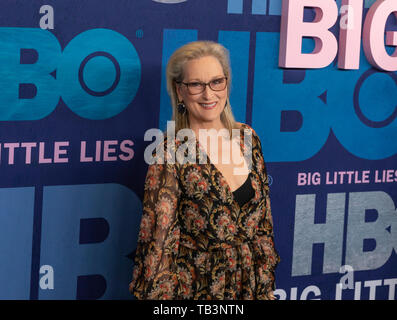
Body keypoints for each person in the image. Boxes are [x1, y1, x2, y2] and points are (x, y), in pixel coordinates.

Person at [129, 40, 280, 300]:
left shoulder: (247, 137)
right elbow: (158, 244)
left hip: (251, 287)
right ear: (180, 91)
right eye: (196, 85)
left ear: (227, 83)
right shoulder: (170, 153)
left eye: (216, 82)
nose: (209, 95)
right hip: (199, 290)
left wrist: (265, 288)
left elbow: (264, 224)